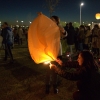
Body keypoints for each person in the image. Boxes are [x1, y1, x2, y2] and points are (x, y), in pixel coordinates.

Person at [45, 15, 67, 94]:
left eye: (53, 19)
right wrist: (41, 16)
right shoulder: (47, 28)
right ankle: (47, 85)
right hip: (48, 52)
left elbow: (64, 35)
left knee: (55, 70)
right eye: (50, 19)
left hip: (57, 51)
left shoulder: (58, 27)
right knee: (48, 70)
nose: (51, 20)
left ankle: (55, 85)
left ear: (57, 21)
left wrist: (63, 31)